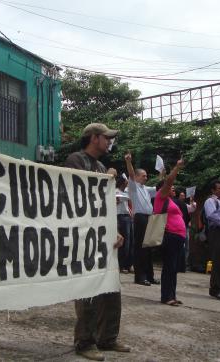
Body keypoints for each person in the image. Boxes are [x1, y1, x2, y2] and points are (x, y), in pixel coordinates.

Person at [65, 123, 130, 361]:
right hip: (83, 235)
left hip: (103, 235)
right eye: (106, 137)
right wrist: (106, 177)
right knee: (88, 290)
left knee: (111, 288)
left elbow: (105, 204)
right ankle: (84, 341)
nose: (109, 141)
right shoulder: (76, 160)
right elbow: (80, 193)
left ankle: (108, 338)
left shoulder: (101, 165)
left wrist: (116, 230)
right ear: (93, 138)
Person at [125, 152, 161, 286]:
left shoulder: (146, 189)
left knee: (149, 248)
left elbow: (159, 187)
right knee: (140, 248)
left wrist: (162, 173)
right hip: (140, 218)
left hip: (149, 218)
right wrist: (129, 162)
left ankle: (149, 275)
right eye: (144, 175)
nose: (146, 177)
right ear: (137, 176)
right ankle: (140, 276)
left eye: (146, 176)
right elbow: (131, 174)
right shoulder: (133, 187)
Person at [154, 159, 185, 306]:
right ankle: (166, 297)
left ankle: (171, 294)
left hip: (178, 237)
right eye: (170, 187)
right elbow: (169, 181)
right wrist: (177, 167)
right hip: (170, 236)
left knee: (174, 268)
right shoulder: (161, 197)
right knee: (169, 267)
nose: (173, 188)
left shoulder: (171, 201)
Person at [116, 176, 133, 274]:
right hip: (120, 216)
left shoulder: (126, 192)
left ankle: (128, 264)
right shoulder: (115, 191)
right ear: (122, 182)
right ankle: (122, 265)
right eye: (126, 181)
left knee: (130, 242)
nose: (127, 183)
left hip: (128, 216)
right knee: (125, 243)